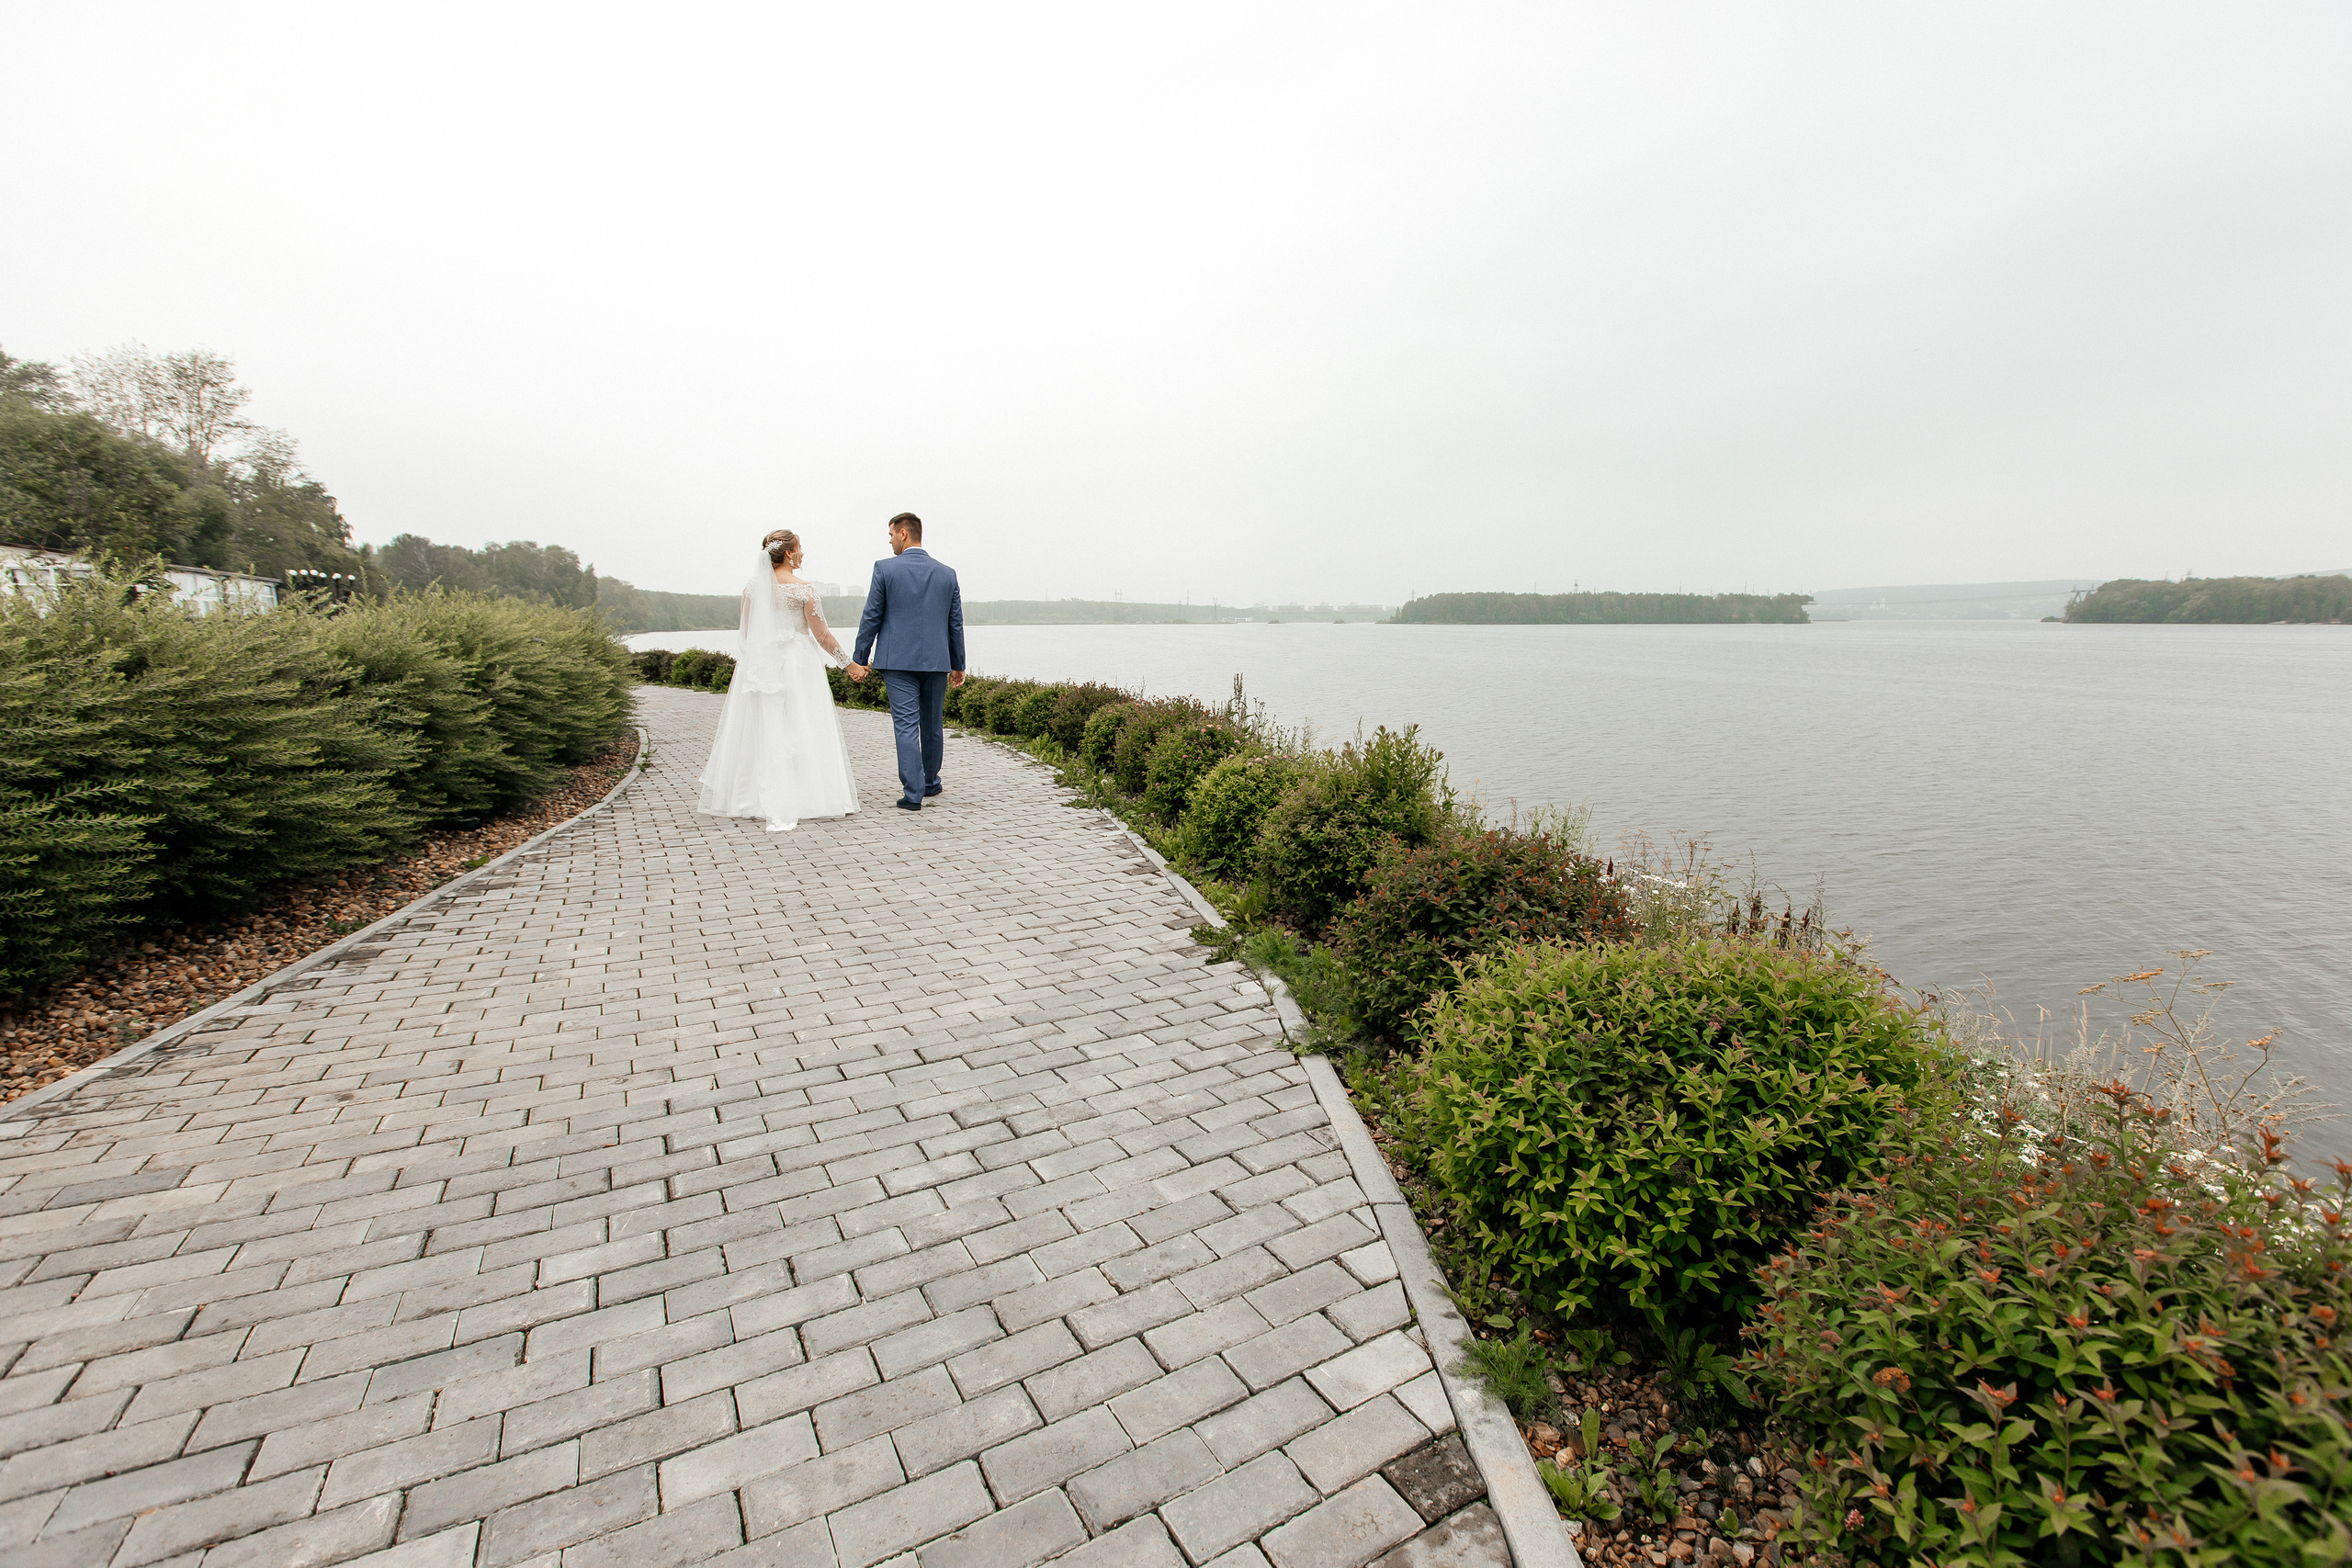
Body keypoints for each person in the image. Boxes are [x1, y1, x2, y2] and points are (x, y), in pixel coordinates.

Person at [696, 529, 860, 831]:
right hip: (798, 664)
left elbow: (746, 634)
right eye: (799, 548)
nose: (802, 554)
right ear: (788, 553)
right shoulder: (804, 589)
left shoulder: (751, 588)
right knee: (801, 722)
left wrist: (756, 662)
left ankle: (750, 797)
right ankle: (807, 795)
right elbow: (821, 634)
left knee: (762, 726)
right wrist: (848, 664)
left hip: (761, 664)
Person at [847, 512, 966, 811]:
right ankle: (930, 783)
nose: (889, 542)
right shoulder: (947, 573)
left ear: (903, 533)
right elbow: (955, 624)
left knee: (905, 726)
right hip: (937, 662)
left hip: (897, 662)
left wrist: (860, 659)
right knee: (932, 724)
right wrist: (958, 663)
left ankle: (913, 794)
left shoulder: (885, 569)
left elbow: (871, 616)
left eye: (890, 535)